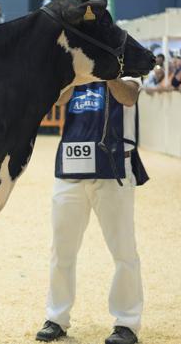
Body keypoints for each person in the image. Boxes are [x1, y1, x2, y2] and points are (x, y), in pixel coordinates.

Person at [36, 78, 147, 344]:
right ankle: (56, 318)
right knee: (61, 249)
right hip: (71, 168)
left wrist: (107, 70)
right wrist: (78, 72)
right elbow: (59, 98)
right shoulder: (78, 65)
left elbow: (129, 95)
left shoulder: (123, 59)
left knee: (123, 251)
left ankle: (127, 323)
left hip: (113, 167)